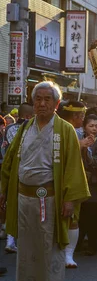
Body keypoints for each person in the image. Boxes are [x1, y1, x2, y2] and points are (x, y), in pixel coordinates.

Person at [1, 81, 89, 281]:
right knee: (27, 244)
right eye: (37, 99)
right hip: (23, 196)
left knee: (52, 245)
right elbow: (9, 162)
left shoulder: (65, 130)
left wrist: (69, 199)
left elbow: (72, 166)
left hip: (50, 197)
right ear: (32, 102)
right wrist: (3, 191)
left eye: (47, 99)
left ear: (56, 104)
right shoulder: (24, 128)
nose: (41, 103)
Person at [56, 100, 90, 268]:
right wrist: (80, 144)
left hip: (74, 178)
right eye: (82, 115)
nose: (83, 119)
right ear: (76, 115)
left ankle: (68, 255)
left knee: (73, 218)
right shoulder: (60, 129)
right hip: (57, 179)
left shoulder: (76, 131)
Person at [1, 103, 34, 253]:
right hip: (25, 170)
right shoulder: (29, 129)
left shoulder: (8, 128)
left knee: (10, 203)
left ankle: (10, 239)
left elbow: (5, 148)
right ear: (28, 116)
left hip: (8, 167)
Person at [78, 115, 97, 256]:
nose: (94, 129)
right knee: (81, 215)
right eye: (91, 126)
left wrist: (86, 151)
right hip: (79, 181)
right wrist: (81, 145)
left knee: (92, 215)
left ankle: (92, 245)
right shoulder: (78, 139)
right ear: (84, 127)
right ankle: (78, 243)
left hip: (93, 183)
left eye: (96, 126)